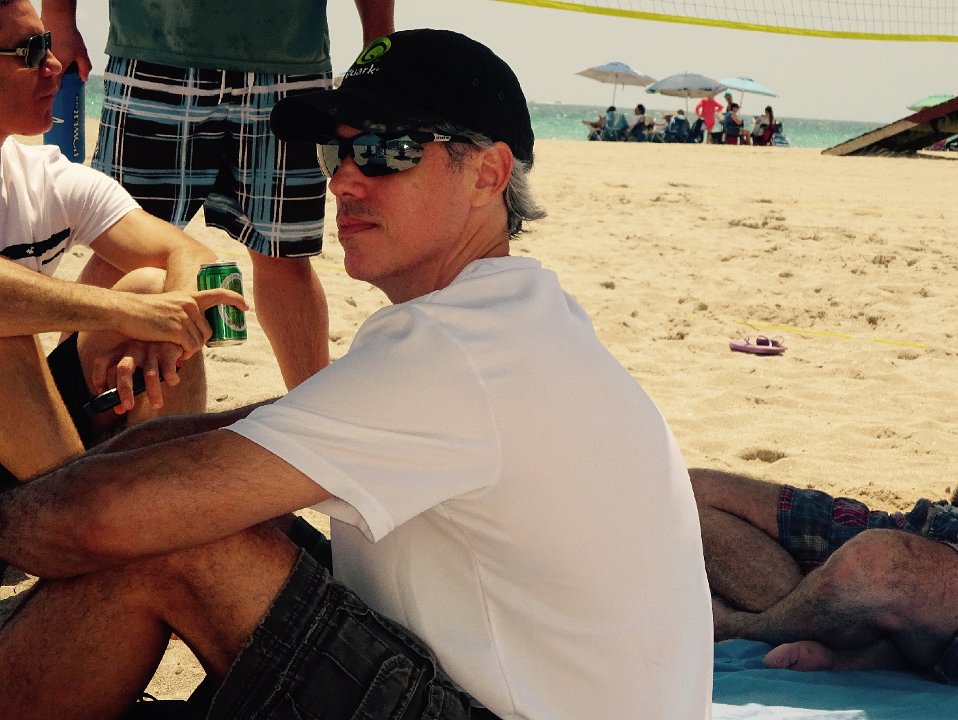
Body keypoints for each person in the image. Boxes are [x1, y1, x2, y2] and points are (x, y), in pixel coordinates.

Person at [0, 28, 713, 720]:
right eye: (334, 152)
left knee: (169, 536)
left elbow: (99, 519)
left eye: (385, 150)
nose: (344, 179)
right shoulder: (516, 320)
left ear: (488, 175)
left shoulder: (451, 349)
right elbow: (250, 439)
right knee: (182, 506)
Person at [40, 0, 396, 390]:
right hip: (155, 48)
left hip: (291, 60)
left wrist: (378, 33)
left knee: (286, 257)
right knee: (119, 247)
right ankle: (61, 400)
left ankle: (313, 406)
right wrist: (58, 16)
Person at [0, 0, 245, 495]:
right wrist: (132, 313)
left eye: (48, 44)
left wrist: (169, 332)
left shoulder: (46, 179)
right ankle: (80, 515)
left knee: (155, 287)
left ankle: (151, 508)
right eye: (31, 51)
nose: (54, 65)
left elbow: (192, 255)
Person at [691, 467, 958, 682]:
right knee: (687, 494)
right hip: (940, 524)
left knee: (873, 561)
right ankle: (874, 641)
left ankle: (737, 625)